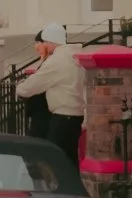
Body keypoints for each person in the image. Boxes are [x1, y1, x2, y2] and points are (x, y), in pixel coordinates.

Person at [16, 24, 84, 160]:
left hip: (62, 118)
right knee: (70, 159)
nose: (43, 45)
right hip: (77, 117)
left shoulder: (57, 61)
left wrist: (20, 88)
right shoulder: (74, 56)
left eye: (44, 42)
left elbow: (32, 86)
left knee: (54, 160)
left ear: (51, 41)